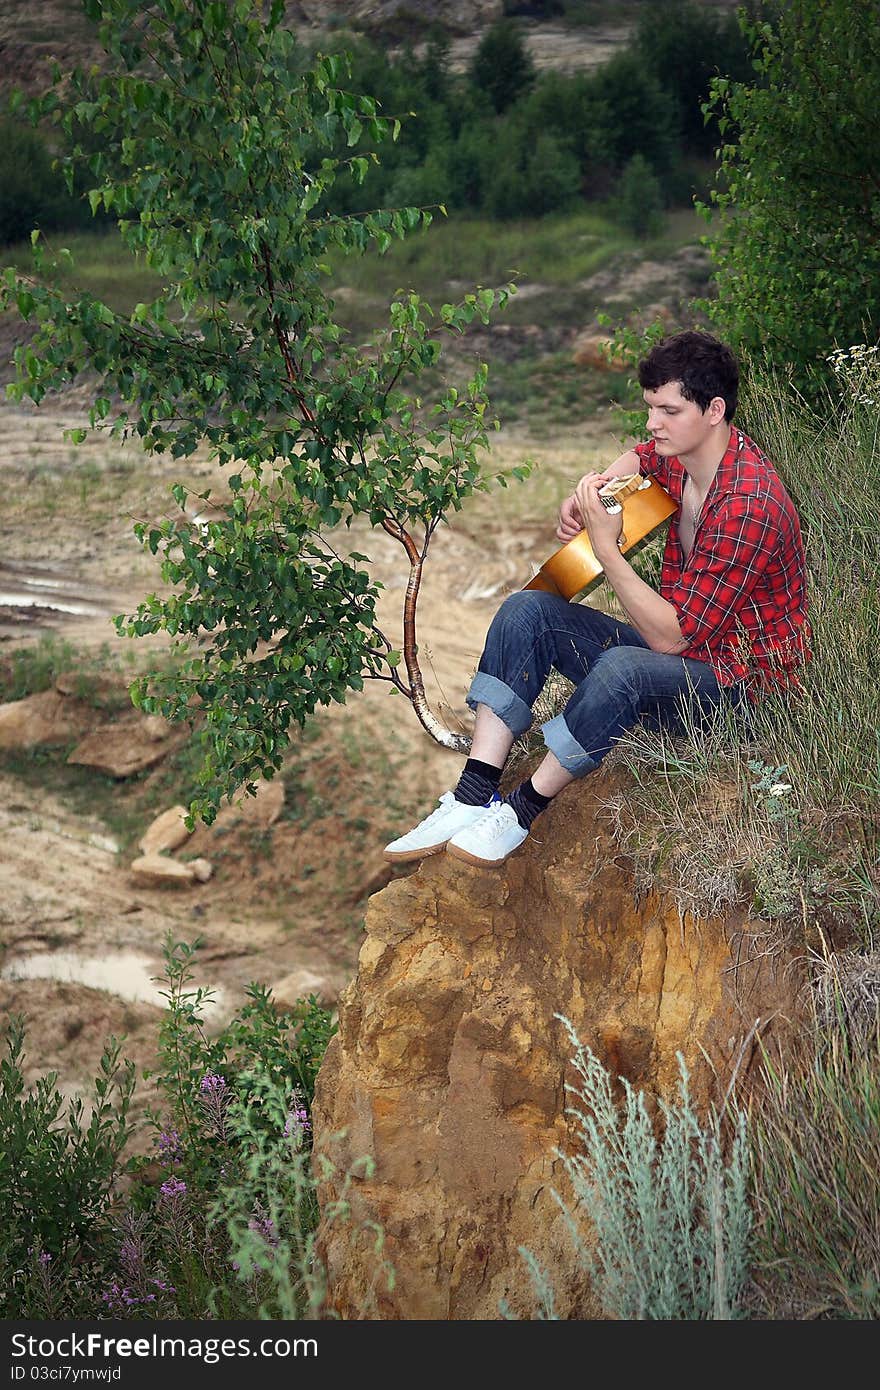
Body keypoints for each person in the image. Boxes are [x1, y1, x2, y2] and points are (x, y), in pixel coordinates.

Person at [384, 329, 809, 868]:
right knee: (527, 611)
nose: (654, 422)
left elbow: (669, 638)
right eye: (650, 406)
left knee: (623, 668)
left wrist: (608, 551)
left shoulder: (749, 503)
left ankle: (519, 812)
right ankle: (472, 795)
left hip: (745, 694)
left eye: (669, 410)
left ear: (714, 410)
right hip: (687, 660)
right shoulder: (683, 455)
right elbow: (639, 458)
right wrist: (598, 489)